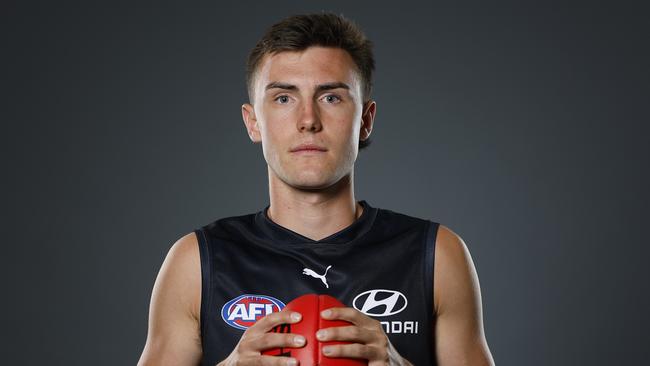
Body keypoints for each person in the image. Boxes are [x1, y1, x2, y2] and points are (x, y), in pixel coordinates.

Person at [138, 12, 495, 366]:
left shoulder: (435, 255)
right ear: (253, 122)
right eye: (283, 98)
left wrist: (399, 365)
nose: (308, 120)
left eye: (331, 97)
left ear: (365, 121)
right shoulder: (198, 261)